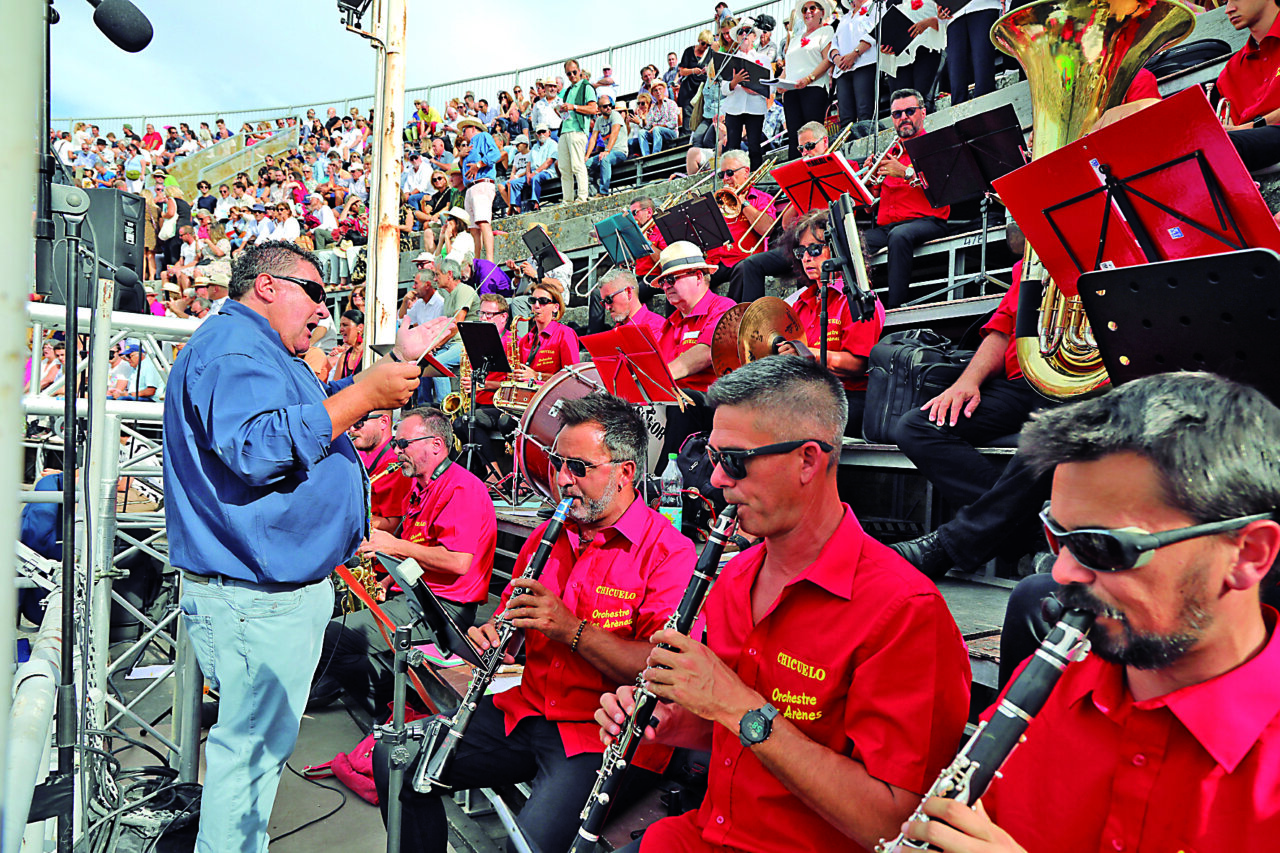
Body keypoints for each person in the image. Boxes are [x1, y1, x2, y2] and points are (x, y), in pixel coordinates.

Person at [597, 356, 971, 853]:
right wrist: (674, 727)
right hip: (704, 833)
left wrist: (736, 705)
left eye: (734, 461)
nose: (716, 482)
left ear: (808, 461)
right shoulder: (733, 581)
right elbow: (738, 741)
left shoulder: (905, 612)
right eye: (712, 457)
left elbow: (894, 824)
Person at [898, 371, 1280, 853]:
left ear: (1247, 555)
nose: (1061, 573)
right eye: (1056, 537)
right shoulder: (1047, 691)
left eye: (1102, 546)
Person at [163, 241, 433, 853]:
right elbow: (256, 447)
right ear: (267, 286)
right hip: (257, 598)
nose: (322, 312)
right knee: (249, 760)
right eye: (314, 293)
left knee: (252, 757)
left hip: (264, 595)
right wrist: (364, 396)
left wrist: (381, 370)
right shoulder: (234, 348)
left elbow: (300, 411)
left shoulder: (255, 350)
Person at [374, 393, 697, 853]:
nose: (563, 480)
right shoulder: (552, 537)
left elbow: (664, 671)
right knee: (396, 757)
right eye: (557, 463)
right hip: (528, 710)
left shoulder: (670, 553)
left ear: (625, 472)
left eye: (579, 468)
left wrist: (572, 630)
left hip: (602, 734)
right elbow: (510, 622)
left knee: (524, 848)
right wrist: (490, 636)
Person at [315, 407, 497, 720]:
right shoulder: (421, 484)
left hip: (443, 609)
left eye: (403, 445)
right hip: (417, 596)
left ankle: (384, 703)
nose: (397, 452)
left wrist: (394, 545)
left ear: (436, 446)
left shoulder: (461, 488)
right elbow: (422, 548)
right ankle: (352, 691)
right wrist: (386, 583)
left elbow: (458, 562)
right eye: (396, 444)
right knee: (329, 623)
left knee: (332, 635)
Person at [778, 210, 885, 435]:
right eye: (801, 251)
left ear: (837, 250)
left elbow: (858, 365)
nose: (806, 257)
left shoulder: (859, 299)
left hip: (848, 397)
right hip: (808, 393)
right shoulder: (799, 303)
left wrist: (809, 355)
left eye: (815, 249)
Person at [861, 88, 950, 309]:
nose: (903, 118)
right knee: (851, 239)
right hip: (888, 226)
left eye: (909, 111)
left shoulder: (936, 145)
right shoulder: (891, 151)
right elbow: (869, 209)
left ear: (923, 112)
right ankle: (859, 306)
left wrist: (905, 172)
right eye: (897, 114)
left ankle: (894, 308)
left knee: (899, 236)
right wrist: (870, 182)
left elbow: (945, 188)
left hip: (929, 220)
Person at [727, 121, 830, 302]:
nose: (805, 152)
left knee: (806, 259)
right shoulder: (801, 176)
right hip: (798, 242)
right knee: (751, 264)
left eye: (810, 146)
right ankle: (752, 322)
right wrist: (798, 191)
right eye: (801, 148)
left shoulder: (844, 166)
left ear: (825, 142)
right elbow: (784, 224)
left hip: (826, 239)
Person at [1215, 0, 1280, 171]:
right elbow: (1227, 130)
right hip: (1248, 151)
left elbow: (1234, 135)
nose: (1228, 9)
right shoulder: (1230, 71)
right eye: (1225, 2)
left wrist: (1248, 127)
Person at [707, 149, 778, 295]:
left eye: (730, 173)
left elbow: (766, 229)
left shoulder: (762, 198)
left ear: (746, 172)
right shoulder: (718, 201)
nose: (725, 178)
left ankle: (735, 315)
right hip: (717, 262)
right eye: (722, 174)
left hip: (742, 260)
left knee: (744, 269)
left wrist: (743, 203)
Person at [782, 0, 836, 161]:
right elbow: (788, 64)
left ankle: (817, 165)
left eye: (812, 8)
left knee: (813, 133)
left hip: (814, 87)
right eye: (805, 9)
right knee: (794, 135)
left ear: (821, 12)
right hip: (792, 90)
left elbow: (828, 60)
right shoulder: (795, 37)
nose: (808, 12)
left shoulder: (826, 31)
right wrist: (780, 82)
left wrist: (809, 78)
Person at [723, 23, 773, 171]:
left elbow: (771, 85)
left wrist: (755, 90)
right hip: (734, 107)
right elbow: (724, 88)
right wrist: (734, 82)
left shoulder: (763, 59)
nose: (744, 34)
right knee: (733, 146)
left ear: (754, 36)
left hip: (755, 107)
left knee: (754, 145)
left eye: (747, 31)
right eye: (740, 32)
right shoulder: (729, 59)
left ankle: (755, 179)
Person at [514, 283, 580, 385]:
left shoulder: (565, 334)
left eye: (543, 301)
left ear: (555, 307)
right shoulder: (525, 340)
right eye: (533, 301)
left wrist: (537, 376)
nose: (536, 306)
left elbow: (572, 377)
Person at [829, 0, 881, 128]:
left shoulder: (875, 7)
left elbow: (874, 33)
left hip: (865, 64)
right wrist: (836, 58)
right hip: (842, 69)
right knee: (845, 115)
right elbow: (834, 42)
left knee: (865, 111)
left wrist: (854, 54)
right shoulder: (845, 17)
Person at [941, 0, 1001, 107]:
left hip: (982, 6)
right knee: (956, 77)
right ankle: (960, 120)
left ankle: (986, 113)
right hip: (954, 16)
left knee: (983, 69)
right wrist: (939, 9)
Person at [457, 117, 500, 262]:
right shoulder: (469, 146)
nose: (463, 133)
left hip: (482, 184)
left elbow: (496, 154)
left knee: (483, 222)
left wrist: (479, 164)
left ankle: (489, 259)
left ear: (474, 128)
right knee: (474, 229)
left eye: (465, 129)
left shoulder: (483, 136)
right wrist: (462, 158)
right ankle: (477, 260)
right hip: (471, 187)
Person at [556, 59, 598, 203]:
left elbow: (593, 108)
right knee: (564, 168)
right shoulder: (568, 90)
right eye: (569, 74)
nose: (572, 75)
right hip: (565, 130)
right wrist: (561, 111)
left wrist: (573, 106)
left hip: (578, 131)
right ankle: (567, 200)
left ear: (579, 71)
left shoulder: (587, 87)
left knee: (577, 165)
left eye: (574, 72)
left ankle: (582, 197)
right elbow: (568, 112)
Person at [600, 269, 665, 339]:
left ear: (628, 293)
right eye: (604, 302)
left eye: (609, 299)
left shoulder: (657, 327)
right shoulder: (616, 331)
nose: (607, 307)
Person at [586, 95, 628, 196]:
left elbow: (614, 132)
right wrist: (587, 156)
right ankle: (592, 192)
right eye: (605, 106)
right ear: (599, 108)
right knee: (587, 164)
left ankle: (603, 192)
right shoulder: (599, 120)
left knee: (605, 158)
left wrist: (607, 150)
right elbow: (593, 138)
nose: (608, 108)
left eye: (610, 105)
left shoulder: (615, 115)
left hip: (620, 151)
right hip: (608, 152)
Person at [677, 30, 716, 129]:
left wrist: (707, 70)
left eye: (707, 45)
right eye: (703, 43)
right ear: (699, 40)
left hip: (702, 89)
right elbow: (681, 71)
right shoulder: (689, 51)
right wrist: (693, 71)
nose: (704, 46)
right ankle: (687, 139)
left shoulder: (711, 53)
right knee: (687, 116)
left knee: (701, 114)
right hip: (688, 89)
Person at [641, 79, 680, 155]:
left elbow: (673, 123)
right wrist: (643, 119)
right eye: (655, 90)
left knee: (656, 129)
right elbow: (648, 126)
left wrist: (657, 126)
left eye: (660, 89)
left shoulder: (671, 103)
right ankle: (646, 155)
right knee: (641, 132)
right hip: (657, 133)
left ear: (664, 90)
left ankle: (655, 154)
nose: (658, 92)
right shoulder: (653, 108)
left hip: (671, 133)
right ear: (652, 94)